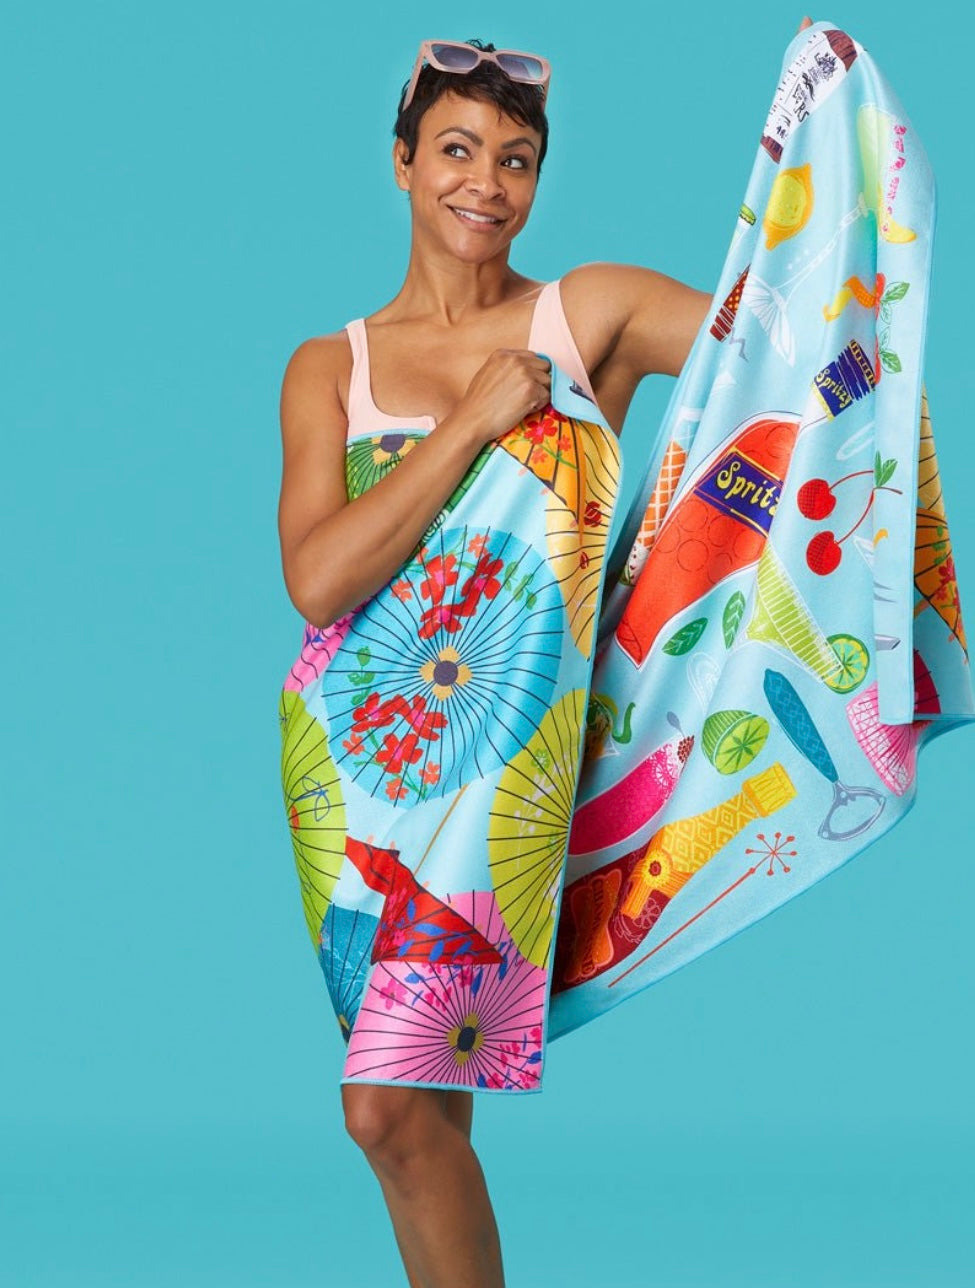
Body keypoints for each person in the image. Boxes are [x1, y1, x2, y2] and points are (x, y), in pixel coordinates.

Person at [277, 23, 812, 1288]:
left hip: (505, 772)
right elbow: (319, 576)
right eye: (457, 149)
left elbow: (776, 347)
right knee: (428, 1115)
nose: (487, 182)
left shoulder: (588, 317)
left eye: (517, 160)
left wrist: (820, 178)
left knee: (385, 1110)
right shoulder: (328, 367)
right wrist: (471, 418)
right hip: (353, 770)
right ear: (402, 162)